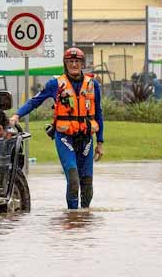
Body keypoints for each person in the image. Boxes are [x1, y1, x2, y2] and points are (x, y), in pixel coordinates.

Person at [15, 47, 104, 210]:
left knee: (87, 183)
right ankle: (72, 215)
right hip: (65, 137)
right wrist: (16, 116)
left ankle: (84, 217)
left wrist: (100, 141)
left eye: (77, 62)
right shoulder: (54, 84)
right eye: (70, 62)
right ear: (65, 64)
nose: (74, 65)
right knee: (73, 179)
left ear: (82, 64)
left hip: (86, 138)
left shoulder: (93, 85)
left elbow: (98, 113)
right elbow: (34, 101)